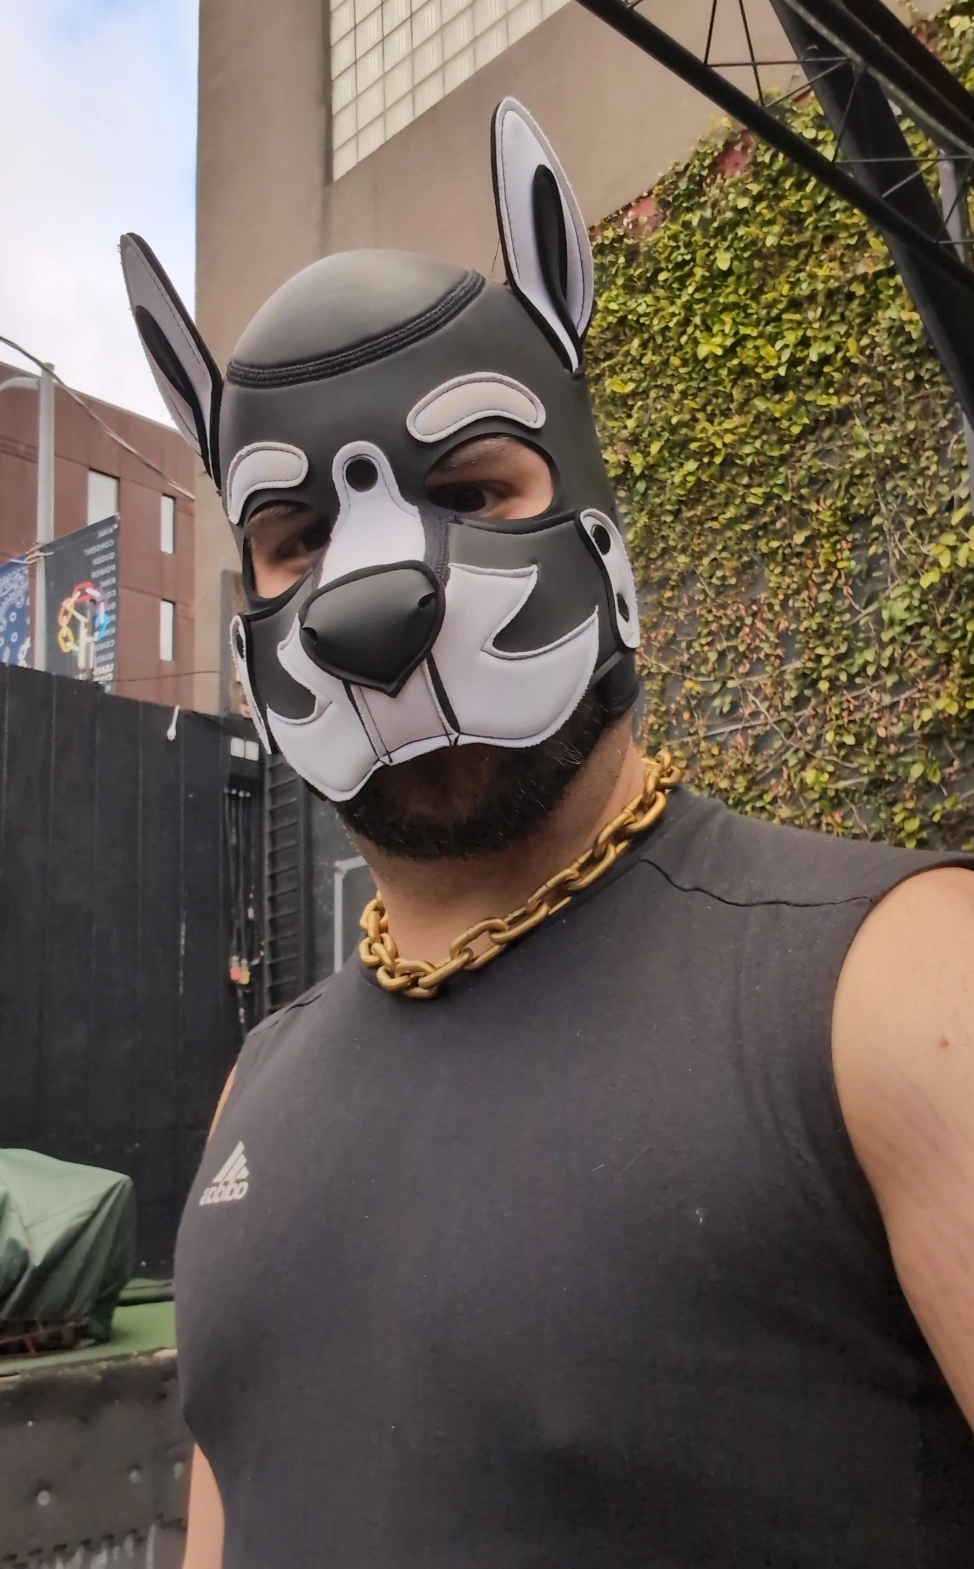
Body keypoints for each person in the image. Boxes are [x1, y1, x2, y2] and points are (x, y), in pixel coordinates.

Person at [122, 99, 974, 1569]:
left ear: (600, 538)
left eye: (469, 489)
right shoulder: (253, 1093)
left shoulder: (893, 988)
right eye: (295, 538)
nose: (370, 595)